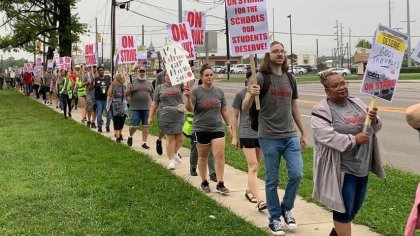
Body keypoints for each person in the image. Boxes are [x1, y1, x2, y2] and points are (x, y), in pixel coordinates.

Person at [242, 41, 308, 235]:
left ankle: (286, 208)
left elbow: (294, 108)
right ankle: (274, 219)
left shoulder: (290, 78)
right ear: (268, 56)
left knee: (297, 173)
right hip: (268, 136)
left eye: (282, 51)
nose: (279, 54)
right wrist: (250, 93)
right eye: (275, 51)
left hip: (290, 136)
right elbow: (245, 107)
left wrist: (303, 132)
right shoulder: (260, 77)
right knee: (272, 179)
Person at [311, 71, 386, 236]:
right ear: (327, 90)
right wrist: (354, 140)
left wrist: (373, 120)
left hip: (362, 166)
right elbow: (324, 135)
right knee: (343, 212)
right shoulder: (322, 110)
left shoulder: (357, 102)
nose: (341, 87)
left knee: (353, 210)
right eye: (335, 85)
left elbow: (374, 129)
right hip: (342, 169)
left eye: (343, 83)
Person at [185, 64, 232, 194]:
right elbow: (190, 109)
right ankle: (204, 181)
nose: (209, 77)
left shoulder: (219, 92)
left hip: (217, 127)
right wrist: (188, 98)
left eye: (211, 75)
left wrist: (229, 126)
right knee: (203, 156)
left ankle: (220, 183)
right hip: (200, 128)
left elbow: (224, 110)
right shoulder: (196, 91)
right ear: (202, 77)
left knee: (219, 155)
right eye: (206, 75)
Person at [231, 71, 266, 211]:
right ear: (248, 81)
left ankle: (249, 191)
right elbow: (234, 116)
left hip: (261, 133)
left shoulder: (263, 94)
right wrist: (234, 136)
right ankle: (260, 200)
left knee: (256, 166)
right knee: (253, 166)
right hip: (247, 132)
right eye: (253, 79)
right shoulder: (240, 94)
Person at [148, 70, 185, 170]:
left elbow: (189, 84)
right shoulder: (159, 87)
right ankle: (171, 161)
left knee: (181, 139)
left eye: (171, 75)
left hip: (179, 114)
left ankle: (174, 153)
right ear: (164, 77)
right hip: (165, 115)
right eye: (167, 75)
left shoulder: (179, 85)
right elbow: (155, 103)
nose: (169, 77)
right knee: (170, 138)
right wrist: (150, 116)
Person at [182, 79, 217, 181]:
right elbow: (189, 108)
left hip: (211, 127)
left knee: (210, 151)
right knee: (195, 149)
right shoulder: (195, 95)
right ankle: (193, 167)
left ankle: (212, 173)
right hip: (197, 128)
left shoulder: (213, 95)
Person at [126, 66, 154, 149]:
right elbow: (126, 95)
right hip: (135, 108)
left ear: (145, 72)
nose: (142, 73)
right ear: (137, 72)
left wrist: (153, 106)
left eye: (143, 71)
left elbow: (152, 95)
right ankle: (130, 136)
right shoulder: (132, 82)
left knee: (146, 126)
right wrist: (129, 89)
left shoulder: (149, 83)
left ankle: (144, 142)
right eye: (140, 71)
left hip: (146, 108)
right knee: (134, 126)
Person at [107, 73, 128, 142]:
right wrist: (112, 85)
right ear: (120, 79)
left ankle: (120, 134)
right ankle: (118, 136)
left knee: (122, 119)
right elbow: (109, 94)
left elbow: (126, 96)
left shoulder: (124, 86)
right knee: (116, 120)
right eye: (123, 78)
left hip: (124, 104)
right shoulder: (114, 85)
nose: (125, 79)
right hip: (116, 104)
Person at [93, 66, 112, 133]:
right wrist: (91, 83)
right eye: (100, 70)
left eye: (102, 70)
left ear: (104, 71)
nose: (101, 71)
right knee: (99, 114)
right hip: (99, 100)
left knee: (108, 114)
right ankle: (100, 127)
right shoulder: (95, 79)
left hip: (106, 99)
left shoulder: (107, 78)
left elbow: (110, 87)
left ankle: (107, 126)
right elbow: (90, 88)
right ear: (98, 71)